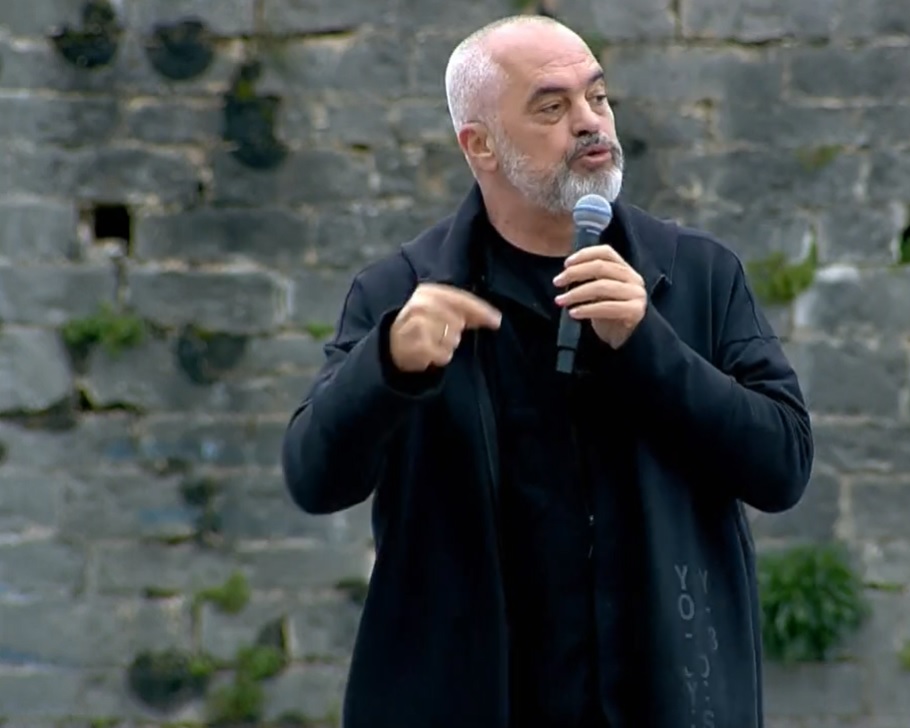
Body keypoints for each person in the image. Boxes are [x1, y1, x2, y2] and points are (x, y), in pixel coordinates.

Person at [280, 13, 813, 728]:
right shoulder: (403, 293)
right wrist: (389, 366)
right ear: (480, 145)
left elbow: (782, 466)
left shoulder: (696, 275)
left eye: (598, 96)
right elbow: (313, 477)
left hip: (666, 699)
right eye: (551, 107)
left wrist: (646, 344)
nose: (590, 122)